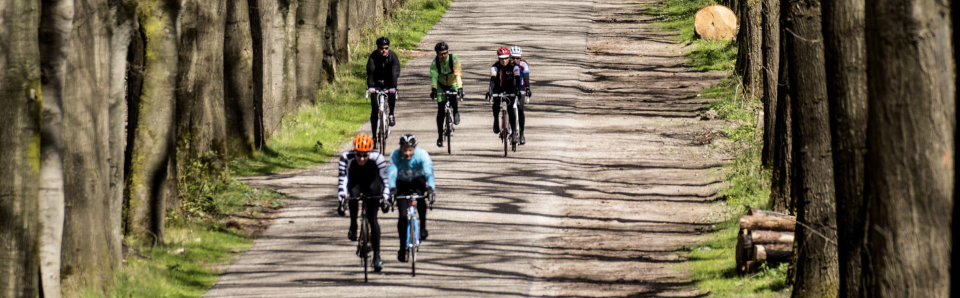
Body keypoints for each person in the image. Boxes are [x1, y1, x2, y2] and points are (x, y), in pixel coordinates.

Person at [337, 133, 391, 272]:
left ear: (370, 153)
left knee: (373, 219)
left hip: (372, 183)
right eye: (359, 154)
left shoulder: (377, 157)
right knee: (353, 196)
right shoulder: (346, 158)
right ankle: (353, 224)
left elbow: (385, 179)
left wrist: (385, 197)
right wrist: (342, 198)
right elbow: (343, 180)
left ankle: (377, 257)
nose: (361, 158)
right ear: (354, 151)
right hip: (356, 182)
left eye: (365, 155)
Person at [387, 135, 436, 262]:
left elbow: (429, 172)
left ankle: (423, 227)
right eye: (404, 150)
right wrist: (392, 190)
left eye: (410, 150)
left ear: (414, 149)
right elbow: (391, 173)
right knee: (402, 216)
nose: (407, 153)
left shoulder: (421, 155)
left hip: (417, 181)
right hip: (401, 183)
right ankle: (402, 247)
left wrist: (430, 188)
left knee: (421, 200)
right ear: (400, 148)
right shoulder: (395, 156)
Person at [430, 41, 464, 147]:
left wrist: (460, 88)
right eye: (440, 54)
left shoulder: (453, 59)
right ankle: (440, 137)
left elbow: (458, 75)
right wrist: (434, 90)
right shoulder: (435, 63)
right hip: (441, 85)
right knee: (440, 111)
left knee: (454, 98)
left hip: (453, 83)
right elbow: (434, 77)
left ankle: (456, 112)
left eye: (445, 53)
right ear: (437, 54)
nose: (443, 55)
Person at [485, 47, 522, 143]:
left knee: (511, 110)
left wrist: (518, 89)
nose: (504, 61)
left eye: (506, 58)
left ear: (509, 57)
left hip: (510, 89)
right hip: (498, 88)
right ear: (498, 58)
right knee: (496, 103)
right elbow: (492, 80)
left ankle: (514, 132)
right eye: (502, 59)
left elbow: (518, 79)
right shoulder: (495, 67)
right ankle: (496, 120)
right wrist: (490, 90)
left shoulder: (514, 67)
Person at [366, 36, 401, 138]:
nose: (383, 50)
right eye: (381, 48)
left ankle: (391, 114)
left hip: (389, 82)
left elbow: (395, 72)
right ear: (378, 48)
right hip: (376, 84)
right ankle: (374, 135)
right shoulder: (373, 57)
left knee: (391, 94)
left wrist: (393, 87)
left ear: (388, 48)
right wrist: (370, 87)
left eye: (386, 48)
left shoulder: (393, 57)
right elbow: (370, 72)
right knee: (374, 109)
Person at [510, 45, 531, 145]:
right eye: (513, 58)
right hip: (510, 87)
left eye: (518, 58)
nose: (515, 60)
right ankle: (513, 131)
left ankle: (522, 133)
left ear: (520, 58)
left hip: (521, 86)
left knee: (520, 108)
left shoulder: (524, 65)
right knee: (510, 109)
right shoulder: (507, 64)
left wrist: (527, 89)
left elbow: (526, 78)